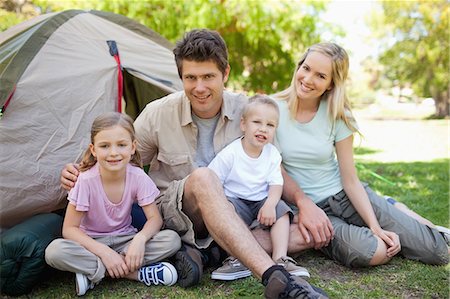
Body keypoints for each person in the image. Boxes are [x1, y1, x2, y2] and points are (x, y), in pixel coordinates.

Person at [60, 30, 327, 298]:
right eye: (191, 78)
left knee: (304, 234)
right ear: (181, 78)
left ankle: (208, 253)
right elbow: (119, 153)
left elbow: (274, 168)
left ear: (225, 74)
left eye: (208, 77)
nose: (199, 87)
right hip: (178, 213)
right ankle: (275, 279)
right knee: (204, 178)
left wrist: (303, 202)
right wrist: (80, 169)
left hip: (235, 211)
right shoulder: (158, 113)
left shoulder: (248, 112)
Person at [269, 42, 449, 267]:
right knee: (373, 251)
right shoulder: (272, 109)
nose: (307, 79)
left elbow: (350, 179)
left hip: (346, 196)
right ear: (298, 67)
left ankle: (394, 209)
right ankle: (393, 209)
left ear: (331, 84)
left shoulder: (338, 115)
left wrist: (374, 225)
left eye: (320, 75)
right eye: (306, 68)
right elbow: (275, 169)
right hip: (310, 208)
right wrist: (303, 205)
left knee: (438, 252)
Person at [46, 112, 181, 296]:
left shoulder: (138, 176)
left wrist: (139, 241)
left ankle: (94, 272)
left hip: (125, 240)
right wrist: (104, 252)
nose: (114, 153)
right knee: (54, 252)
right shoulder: (85, 181)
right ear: (93, 150)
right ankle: (136, 273)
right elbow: (69, 229)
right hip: (91, 244)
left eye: (121, 145)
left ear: (133, 147)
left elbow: (154, 219)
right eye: (105, 146)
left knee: (171, 240)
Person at [208, 95, 309, 281]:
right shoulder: (230, 153)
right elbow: (212, 182)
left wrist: (270, 204)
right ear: (243, 124)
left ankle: (280, 258)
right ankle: (235, 259)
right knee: (228, 211)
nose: (263, 128)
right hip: (236, 201)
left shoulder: (272, 154)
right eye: (257, 122)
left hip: (261, 203)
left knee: (282, 210)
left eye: (270, 125)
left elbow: (276, 183)